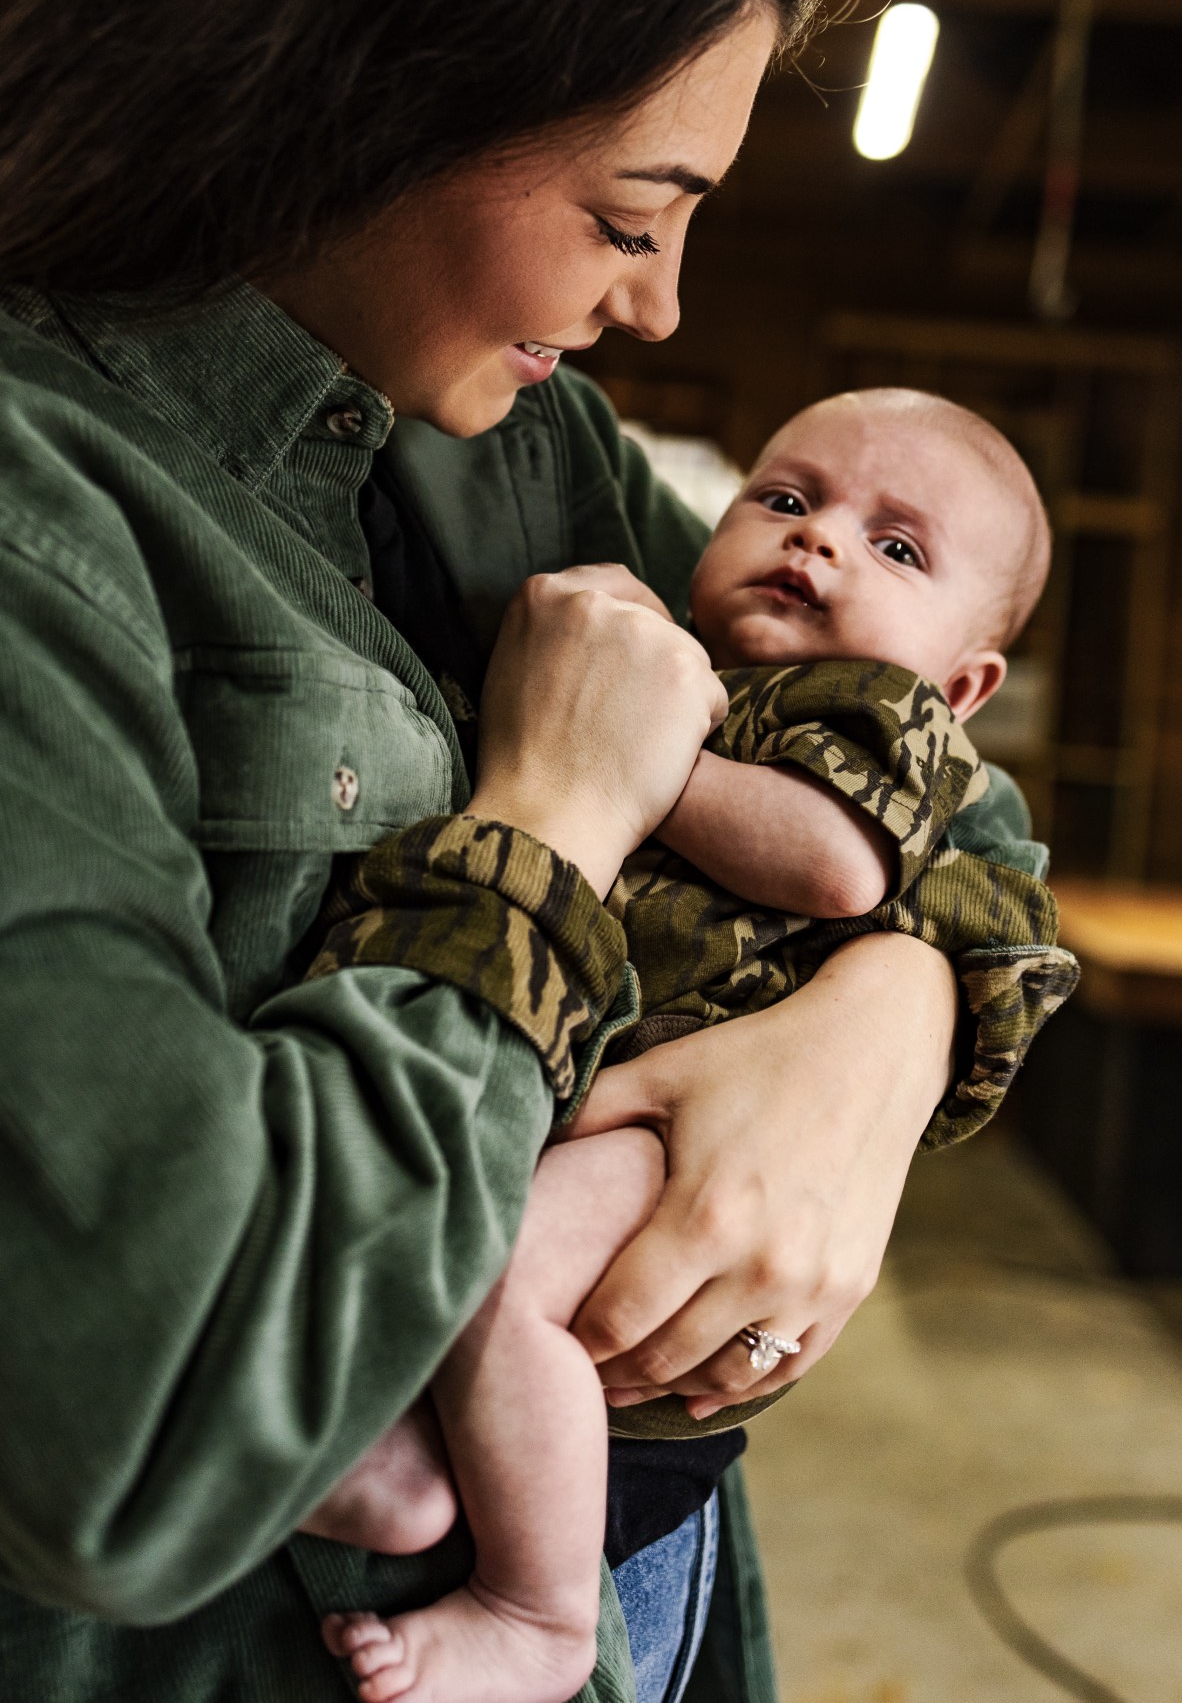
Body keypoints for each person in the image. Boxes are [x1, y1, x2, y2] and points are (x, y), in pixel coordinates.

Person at [0, 0, 1058, 1702]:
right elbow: (134, 1433)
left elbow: (928, 784)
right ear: (370, 93)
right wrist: (548, 822)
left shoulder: (511, 441)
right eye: (631, 208)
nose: (654, 306)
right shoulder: (43, 507)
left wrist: (874, 1039)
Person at [307, 388, 1078, 1703]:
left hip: (685, 1118)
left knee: (494, 1279)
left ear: (965, 681)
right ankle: (423, 1462)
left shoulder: (876, 716)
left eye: (897, 548)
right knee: (464, 1251)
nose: (821, 539)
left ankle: (534, 1606)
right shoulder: (699, 655)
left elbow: (839, 862)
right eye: (785, 499)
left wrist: (640, 764)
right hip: (599, 1074)